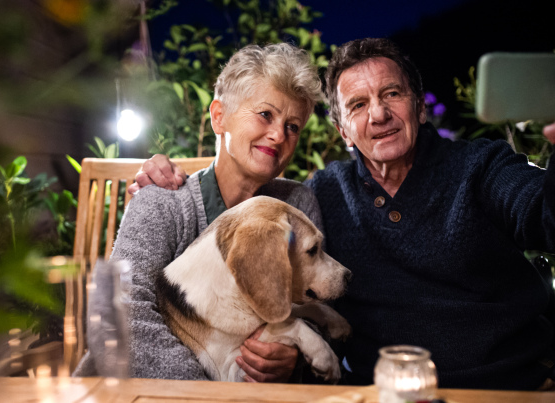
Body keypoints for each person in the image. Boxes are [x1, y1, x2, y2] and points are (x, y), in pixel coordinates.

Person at [133, 38, 555, 390]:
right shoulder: (324, 193)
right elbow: (126, 311)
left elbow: (542, 215)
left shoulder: (481, 167)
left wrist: (291, 357)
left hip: (507, 386)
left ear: (420, 107)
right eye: (357, 104)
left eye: (392, 93)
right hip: (378, 392)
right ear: (343, 131)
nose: (378, 114)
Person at [73, 42, 323, 382]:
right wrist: (205, 393)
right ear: (219, 117)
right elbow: (117, 313)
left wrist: (294, 357)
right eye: (265, 114)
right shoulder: (162, 200)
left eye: (293, 126)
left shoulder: (297, 205)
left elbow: (316, 308)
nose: (279, 134)